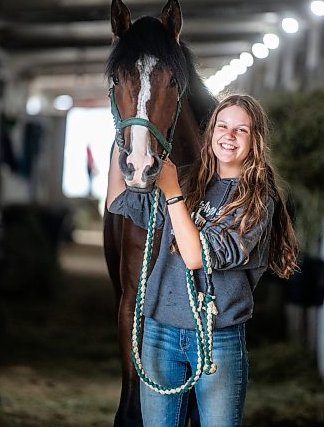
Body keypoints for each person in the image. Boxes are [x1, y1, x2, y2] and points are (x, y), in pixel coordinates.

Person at [106, 93, 298, 427]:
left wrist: (173, 194)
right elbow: (118, 201)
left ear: (255, 141)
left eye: (242, 130)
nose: (229, 135)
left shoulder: (256, 201)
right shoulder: (186, 178)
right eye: (222, 126)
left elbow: (198, 257)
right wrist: (126, 136)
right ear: (210, 132)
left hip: (216, 339)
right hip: (159, 332)